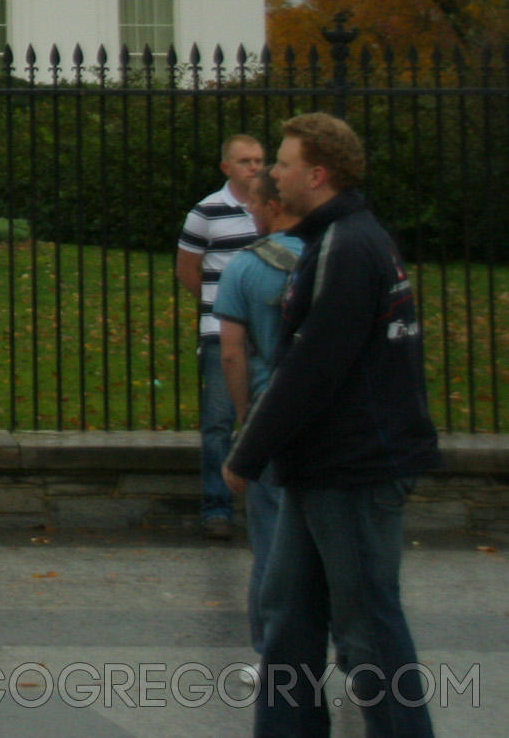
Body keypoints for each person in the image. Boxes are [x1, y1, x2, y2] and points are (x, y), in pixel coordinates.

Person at [226, 113, 440, 738]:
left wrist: (247, 454)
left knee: (367, 630)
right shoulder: (342, 239)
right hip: (319, 466)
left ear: (317, 174)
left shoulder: (347, 247)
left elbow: (312, 369)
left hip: (352, 468)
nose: (274, 173)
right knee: (289, 614)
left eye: (286, 163)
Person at [213, 185, 305, 655]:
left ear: (273, 206)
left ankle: (271, 650)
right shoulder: (329, 256)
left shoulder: (245, 266)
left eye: (254, 205)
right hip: (322, 417)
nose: (249, 213)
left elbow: (231, 353)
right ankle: (355, 656)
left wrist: (246, 415)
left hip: (269, 414)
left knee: (269, 542)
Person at [178, 132, 267, 539]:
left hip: (267, 332)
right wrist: (222, 307)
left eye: (260, 160)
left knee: (268, 417)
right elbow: (187, 270)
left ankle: (267, 504)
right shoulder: (207, 212)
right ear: (226, 167)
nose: (255, 167)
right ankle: (217, 507)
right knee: (218, 422)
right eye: (246, 160)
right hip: (220, 331)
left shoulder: (274, 209)